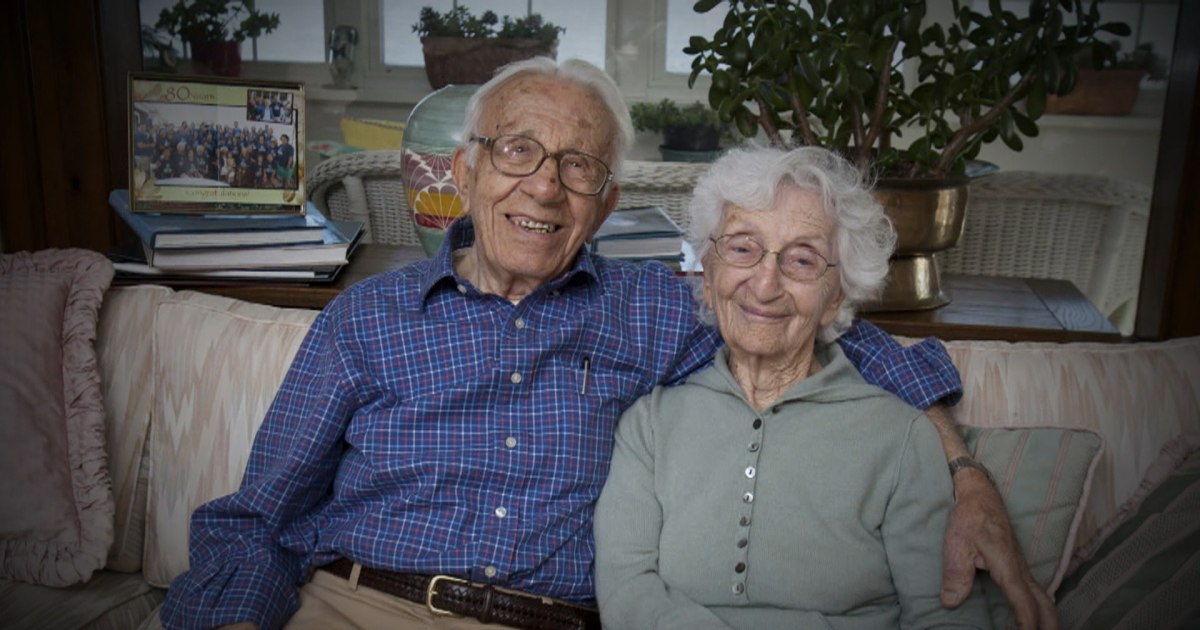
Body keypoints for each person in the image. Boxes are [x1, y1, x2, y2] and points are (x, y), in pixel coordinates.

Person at [161, 58, 1051, 630]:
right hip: (359, 603)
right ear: (465, 172)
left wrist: (966, 477)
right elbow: (254, 519)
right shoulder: (365, 322)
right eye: (517, 152)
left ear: (606, 203)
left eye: (577, 167)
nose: (544, 188)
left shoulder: (659, 312)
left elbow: (834, 333)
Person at [594, 146, 992, 628]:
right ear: (707, 273)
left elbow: (944, 616)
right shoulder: (650, 425)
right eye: (742, 248)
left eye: (802, 261)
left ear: (835, 297)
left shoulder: (901, 438)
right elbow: (627, 586)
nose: (765, 285)